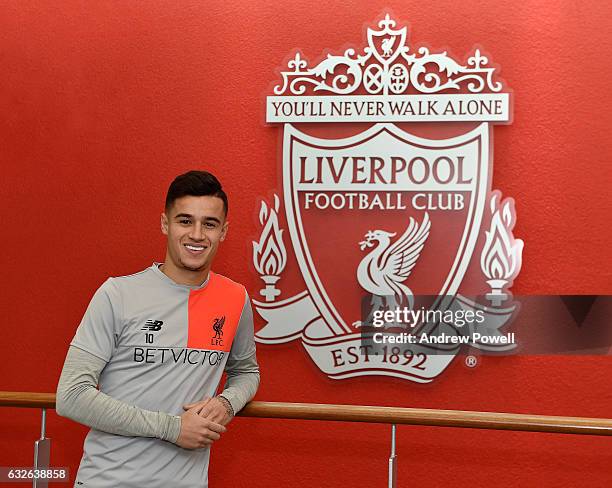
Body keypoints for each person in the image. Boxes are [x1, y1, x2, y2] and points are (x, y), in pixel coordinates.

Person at [56, 170, 260, 488]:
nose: (196, 234)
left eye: (209, 224)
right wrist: (173, 428)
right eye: (184, 220)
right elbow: (72, 396)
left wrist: (226, 403)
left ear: (224, 231)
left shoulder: (235, 298)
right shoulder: (117, 294)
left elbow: (247, 372)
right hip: (109, 481)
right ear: (165, 223)